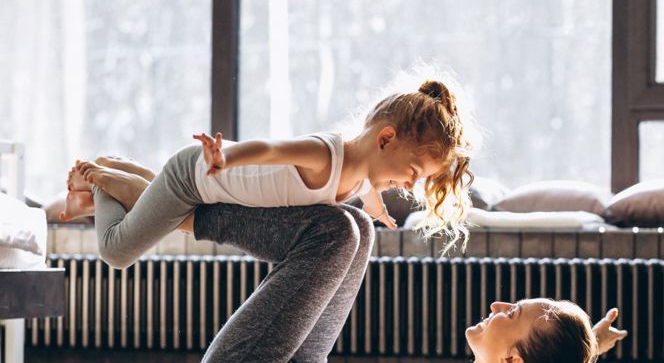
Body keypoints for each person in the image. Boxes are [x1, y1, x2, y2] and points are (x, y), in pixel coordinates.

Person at [69, 164, 639, 363]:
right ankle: (164, 203)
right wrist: (590, 345)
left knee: (333, 231)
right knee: (358, 228)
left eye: (512, 311)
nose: (497, 304)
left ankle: (171, 204)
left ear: (514, 362)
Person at [61, 79, 475, 270]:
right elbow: (270, 149)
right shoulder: (325, 154)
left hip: (210, 189)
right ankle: (98, 180)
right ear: (385, 139)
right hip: (195, 177)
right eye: (413, 172)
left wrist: (378, 209)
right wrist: (227, 157)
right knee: (116, 252)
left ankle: (116, 167)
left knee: (163, 210)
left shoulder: (364, 178)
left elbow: (369, 193)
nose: (410, 184)